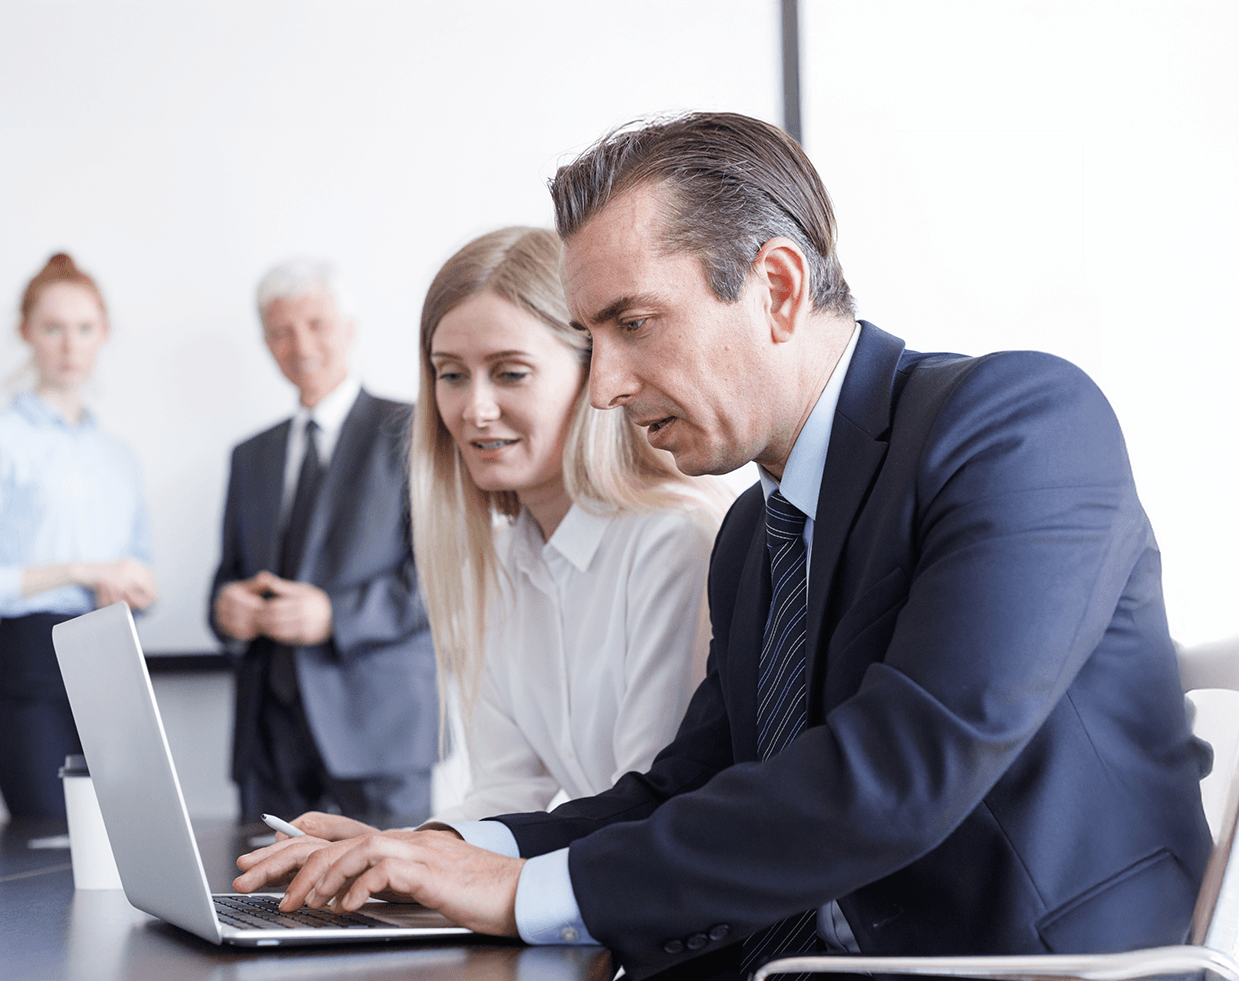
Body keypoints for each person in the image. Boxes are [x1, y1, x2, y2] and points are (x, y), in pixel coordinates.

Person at [233, 113, 1212, 980]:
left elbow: (897, 775)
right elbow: (678, 788)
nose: (604, 387)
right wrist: (445, 849)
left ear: (777, 289)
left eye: (632, 324)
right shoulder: (755, 530)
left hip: (1026, 967)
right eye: (586, 336)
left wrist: (521, 893)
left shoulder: (1016, 428)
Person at [287, 226, 735, 843]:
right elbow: (506, 788)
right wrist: (395, 853)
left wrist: (422, 862)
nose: (474, 409)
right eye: (451, 375)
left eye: (510, 373)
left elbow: (645, 802)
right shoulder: (502, 556)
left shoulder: (670, 541)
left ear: (591, 375)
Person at [210, 259, 436, 827]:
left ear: (349, 328)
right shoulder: (249, 455)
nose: (300, 344)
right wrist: (226, 609)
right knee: (271, 901)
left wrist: (333, 615)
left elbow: (442, 577)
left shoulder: (414, 431)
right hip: (269, 730)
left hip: (379, 727)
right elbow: (228, 573)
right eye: (281, 331)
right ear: (265, 341)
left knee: (395, 902)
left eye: (317, 323)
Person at [0, 252, 156, 820]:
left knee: (119, 859)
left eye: (84, 329)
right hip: (33, 664)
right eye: (53, 328)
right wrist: (80, 570)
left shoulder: (118, 456)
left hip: (114, 664)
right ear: (25, 333)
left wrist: (135, 590)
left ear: (104, 335)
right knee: (46, 853)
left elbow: (140, 570)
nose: (69, 345)